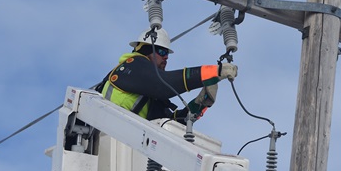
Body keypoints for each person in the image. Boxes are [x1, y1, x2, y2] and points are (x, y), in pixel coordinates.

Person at [98, 27, 238, 122]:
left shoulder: (148, 91)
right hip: (107, 132)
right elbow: (165, 85)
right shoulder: (132, 66)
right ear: (147, 50)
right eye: (162, 52)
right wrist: (214, 71)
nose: (166, 58)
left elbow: (168, 125)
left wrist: (199, 105)